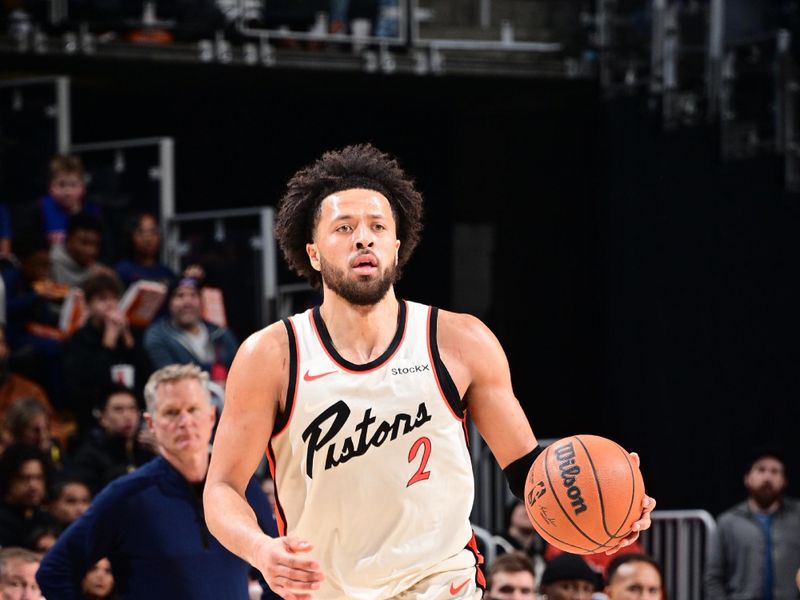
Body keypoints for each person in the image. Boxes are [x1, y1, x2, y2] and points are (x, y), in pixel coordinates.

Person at [203, 143, 656, 599]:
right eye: (344, 227)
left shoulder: (460, 341)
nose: (364, 238)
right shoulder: (271, 355)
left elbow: (529, 474)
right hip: (326, 589)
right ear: (314, 253)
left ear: (396, 247)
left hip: (441, 583)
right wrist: (261, 550)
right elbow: (221, 488)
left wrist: (609, 506)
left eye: (378, 227)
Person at [36, 363, 279, 599]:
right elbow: (54, 571)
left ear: (211, 416)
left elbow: (278, 572)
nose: (185, 422)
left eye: (193, 409)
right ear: (151, 423)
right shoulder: (128, 496)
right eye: (172, 412)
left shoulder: (243, 488)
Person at [62, 272, 153, 433]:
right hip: (95, 418)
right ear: (88, 305)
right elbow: (86, 386)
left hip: (134, 413)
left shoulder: (130, 335)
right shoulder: (80, 339)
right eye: (102, 299)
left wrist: (127, 339)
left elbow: (149, 377)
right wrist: (109, 341)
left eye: (114, 299)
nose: (110, 305)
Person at [705, 447, 800, 600]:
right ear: (747, 478)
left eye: (775, 471)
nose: (767, 477)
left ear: (784, 481)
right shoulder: (727, 521)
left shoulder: (797, 517)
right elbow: (713, 577)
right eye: (761, 470)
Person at [65, 384, 156, 494]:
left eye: (132, 408)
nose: (128, 416)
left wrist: (160, 452)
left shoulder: (149, 450)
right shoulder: (89, 457)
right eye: (118, 409)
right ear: (102, 418)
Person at [143, 277, 238, 380]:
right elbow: (170, 377)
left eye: (193, 295)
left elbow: (238, 372)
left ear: (201, 300)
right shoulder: (158, 335)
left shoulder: (220, 333)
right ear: (169, 302)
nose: (187, 302)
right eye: (180, 295)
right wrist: (214, 372)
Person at [0, 444, 55, 548]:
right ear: (8, 480)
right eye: (24, 478)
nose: (33, 486)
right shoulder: (3, 521)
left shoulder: (46, 519)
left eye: (39, 478)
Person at [112, 212, 176, 290]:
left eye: (153, 231)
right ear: (131, 236)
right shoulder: (122, 271)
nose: (148, 238)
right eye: (141, 232)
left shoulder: (167, 274)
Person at [49, 213, 110, 289]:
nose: (91, 250)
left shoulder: (98, 271)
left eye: (96, 244)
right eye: (84, 243)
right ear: (68, 239)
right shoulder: (50, 262)